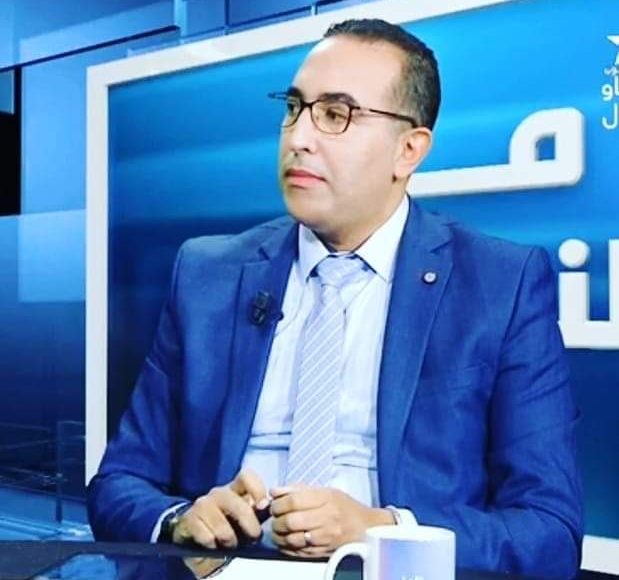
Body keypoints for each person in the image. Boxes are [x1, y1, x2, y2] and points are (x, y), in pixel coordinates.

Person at [87, 18, 583, 577]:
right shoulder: (207, 275)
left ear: (408, 150)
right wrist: (182, 520)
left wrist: (381, 530)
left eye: (336, 114)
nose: (299, 137)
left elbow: (549, 532)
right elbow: (118, 484)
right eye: (294, 108)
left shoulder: (501, 285)